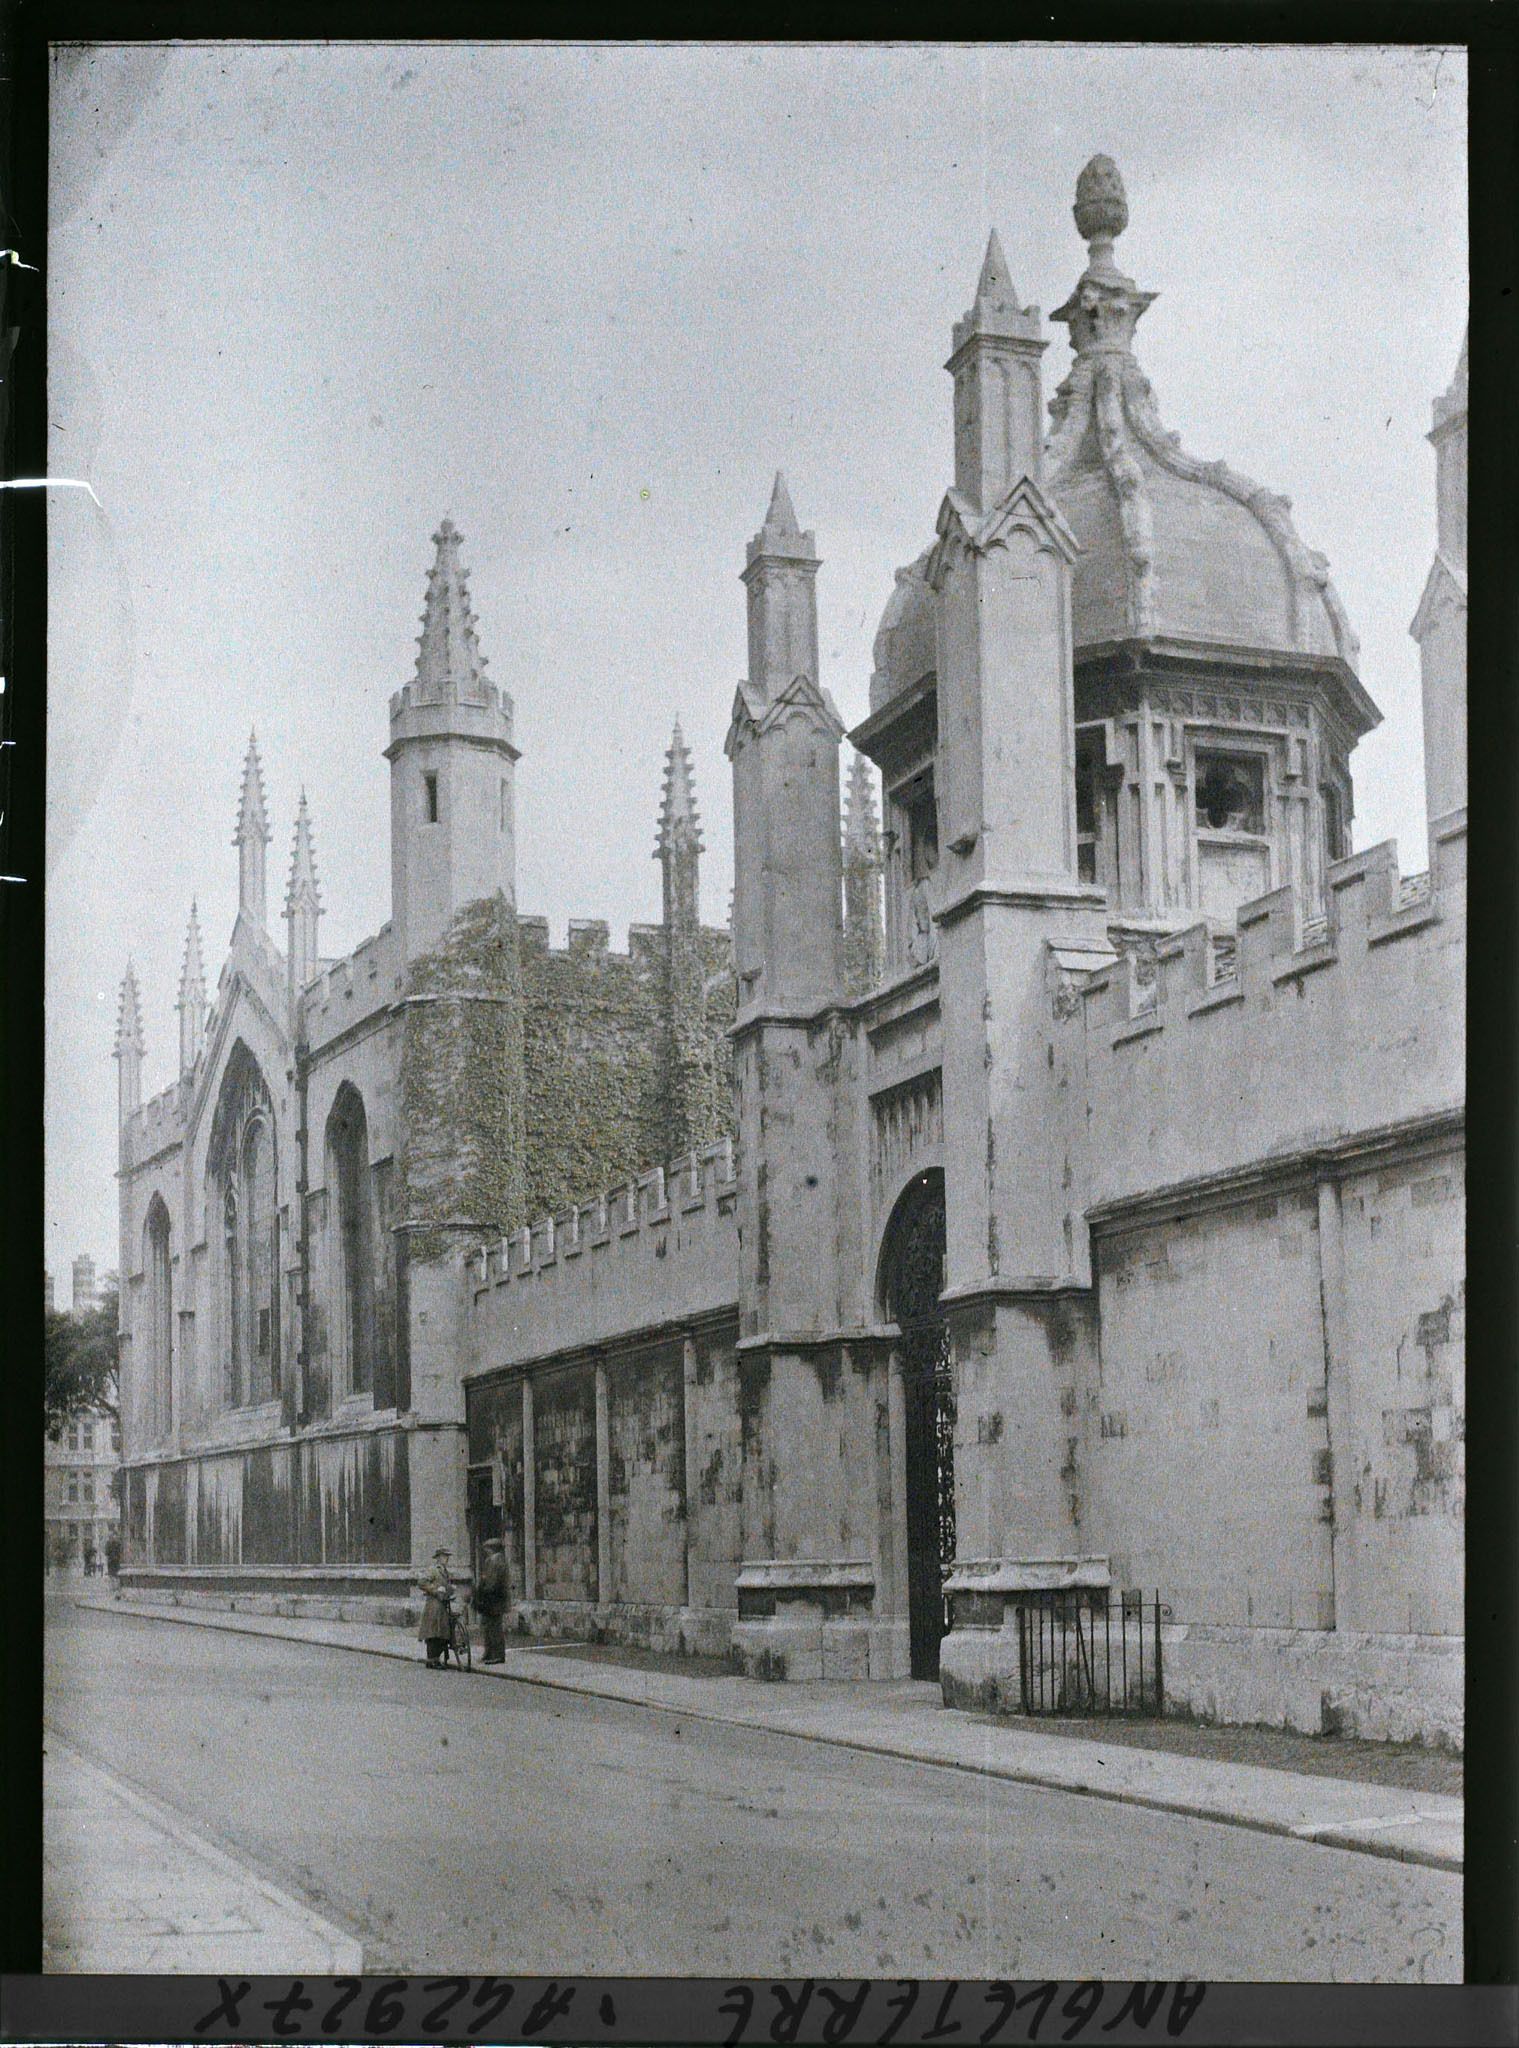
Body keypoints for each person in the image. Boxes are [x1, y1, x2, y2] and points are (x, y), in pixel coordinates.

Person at [415, 1547, 456, 1668]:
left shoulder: (445, 1570)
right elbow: (421, 1582)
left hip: (442, 1604)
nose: (447, 1559)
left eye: (447, 1556)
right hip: (433, 1604)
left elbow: (444, 1585)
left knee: (441, 1632)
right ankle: (432, 1660)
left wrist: (450, 1588)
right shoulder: (433, 1569)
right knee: (433, 1632)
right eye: (444, 1556)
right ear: (438, 1558)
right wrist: (435, 1590)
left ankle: (435, 1659)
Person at [474, 1536, 511, 1663]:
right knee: (488, 1627)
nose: (485, 1551)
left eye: (487, 1548)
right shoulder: (494, 1560)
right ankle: (489, 1653)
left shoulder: (496, 1561)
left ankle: (497, 1655)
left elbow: (492, 1583)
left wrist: (483, 1593)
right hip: (492, 1600)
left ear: (492, 1549)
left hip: (494, 1600)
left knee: (494, 1628)